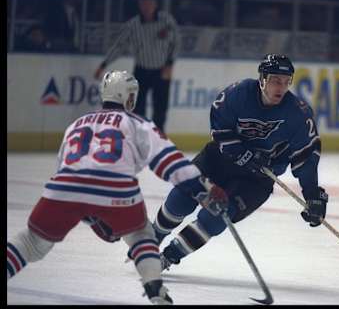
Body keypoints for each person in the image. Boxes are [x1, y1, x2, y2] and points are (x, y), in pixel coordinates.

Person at [6, 70, 229, 305]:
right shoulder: (137, 123)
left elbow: (66, 170)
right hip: (116, 188)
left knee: (31, 243)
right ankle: (154, 288)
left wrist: (91, 217)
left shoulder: (76, 124)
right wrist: (203, 189)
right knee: (141, 235)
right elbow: (170, 163)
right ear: (130, 98)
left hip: (63, 188)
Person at [143, 54, 329, 269]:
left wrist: (313, 195)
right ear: (262, 79)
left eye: (286, 81)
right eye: (276, 80)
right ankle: (153, 237)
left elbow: (306, 155)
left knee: (216, 217)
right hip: (219, 160)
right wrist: (243, 153)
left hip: (256, 179)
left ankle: (168, 256)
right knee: (181, 197)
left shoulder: (298, 113)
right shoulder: (238, 94)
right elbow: (220, 130)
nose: (281, 87)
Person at [94, 0, 179, 133]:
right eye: (143, 3)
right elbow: (119, 46)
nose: (146, 6)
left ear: (155, 4)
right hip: (142, 70)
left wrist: (170, 63)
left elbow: (176, 42)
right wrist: (104, 64)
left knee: (161, 109)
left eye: (149, 2)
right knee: (138, 109)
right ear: (139, 5)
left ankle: (158, 138)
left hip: (162, 71)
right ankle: (139, 136)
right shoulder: (133, 25)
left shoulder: (166, 21)